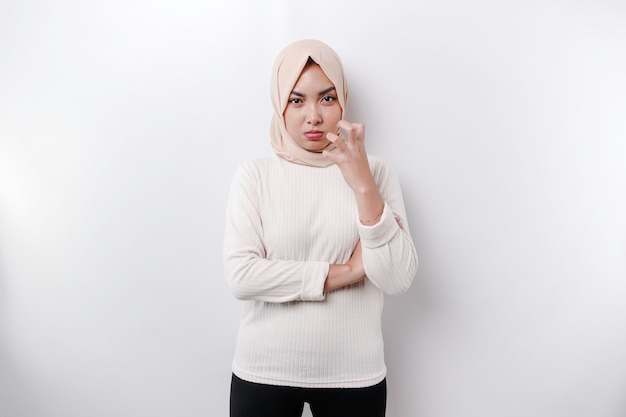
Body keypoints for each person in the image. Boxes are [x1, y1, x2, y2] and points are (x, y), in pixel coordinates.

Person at [223, 39, 418, 417]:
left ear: (343, 101)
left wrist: (362, 184)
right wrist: (346, 272)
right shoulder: (255, 176)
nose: (313, 116)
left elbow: (396, 279)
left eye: (327, 99)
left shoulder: (376, 173)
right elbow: (241, 276)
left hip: (354, 375)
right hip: (264, 371)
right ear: (280, 103)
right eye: (297, 100)